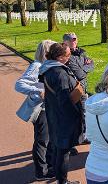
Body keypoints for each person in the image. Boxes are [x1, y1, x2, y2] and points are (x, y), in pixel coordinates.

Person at [39, 43, 84, 184]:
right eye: (68, 55)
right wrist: (77, 114)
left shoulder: (48, 69)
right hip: (64, 118)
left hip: (54, 114)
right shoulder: (60, 74)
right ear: (59, 57)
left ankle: (59, 178)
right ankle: (63, 181)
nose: (70, 57)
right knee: (63, 151)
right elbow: (65, 101)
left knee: (58, 148)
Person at [15, 40, 56, 181]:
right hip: (41, 109)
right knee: (42, 140)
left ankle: (49, 166)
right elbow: (19, 84)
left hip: (50, 108)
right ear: (47, 52)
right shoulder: (37, 66)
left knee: (50, 139)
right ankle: (41, 172)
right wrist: (39, 90)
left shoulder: (47, 65)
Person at [63, 32, 94, 153]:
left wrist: (84, 68)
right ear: (66, 42)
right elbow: (79, 74)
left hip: (83, 88)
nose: (75, 41)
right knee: (73, 116)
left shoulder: (81, 52)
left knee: (84, 114)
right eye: (72, 40)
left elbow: (91, 64)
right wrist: (84, 69)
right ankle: (70, 142)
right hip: (73, 90)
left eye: (76, 39)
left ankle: (83, 136)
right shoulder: (66, 55)